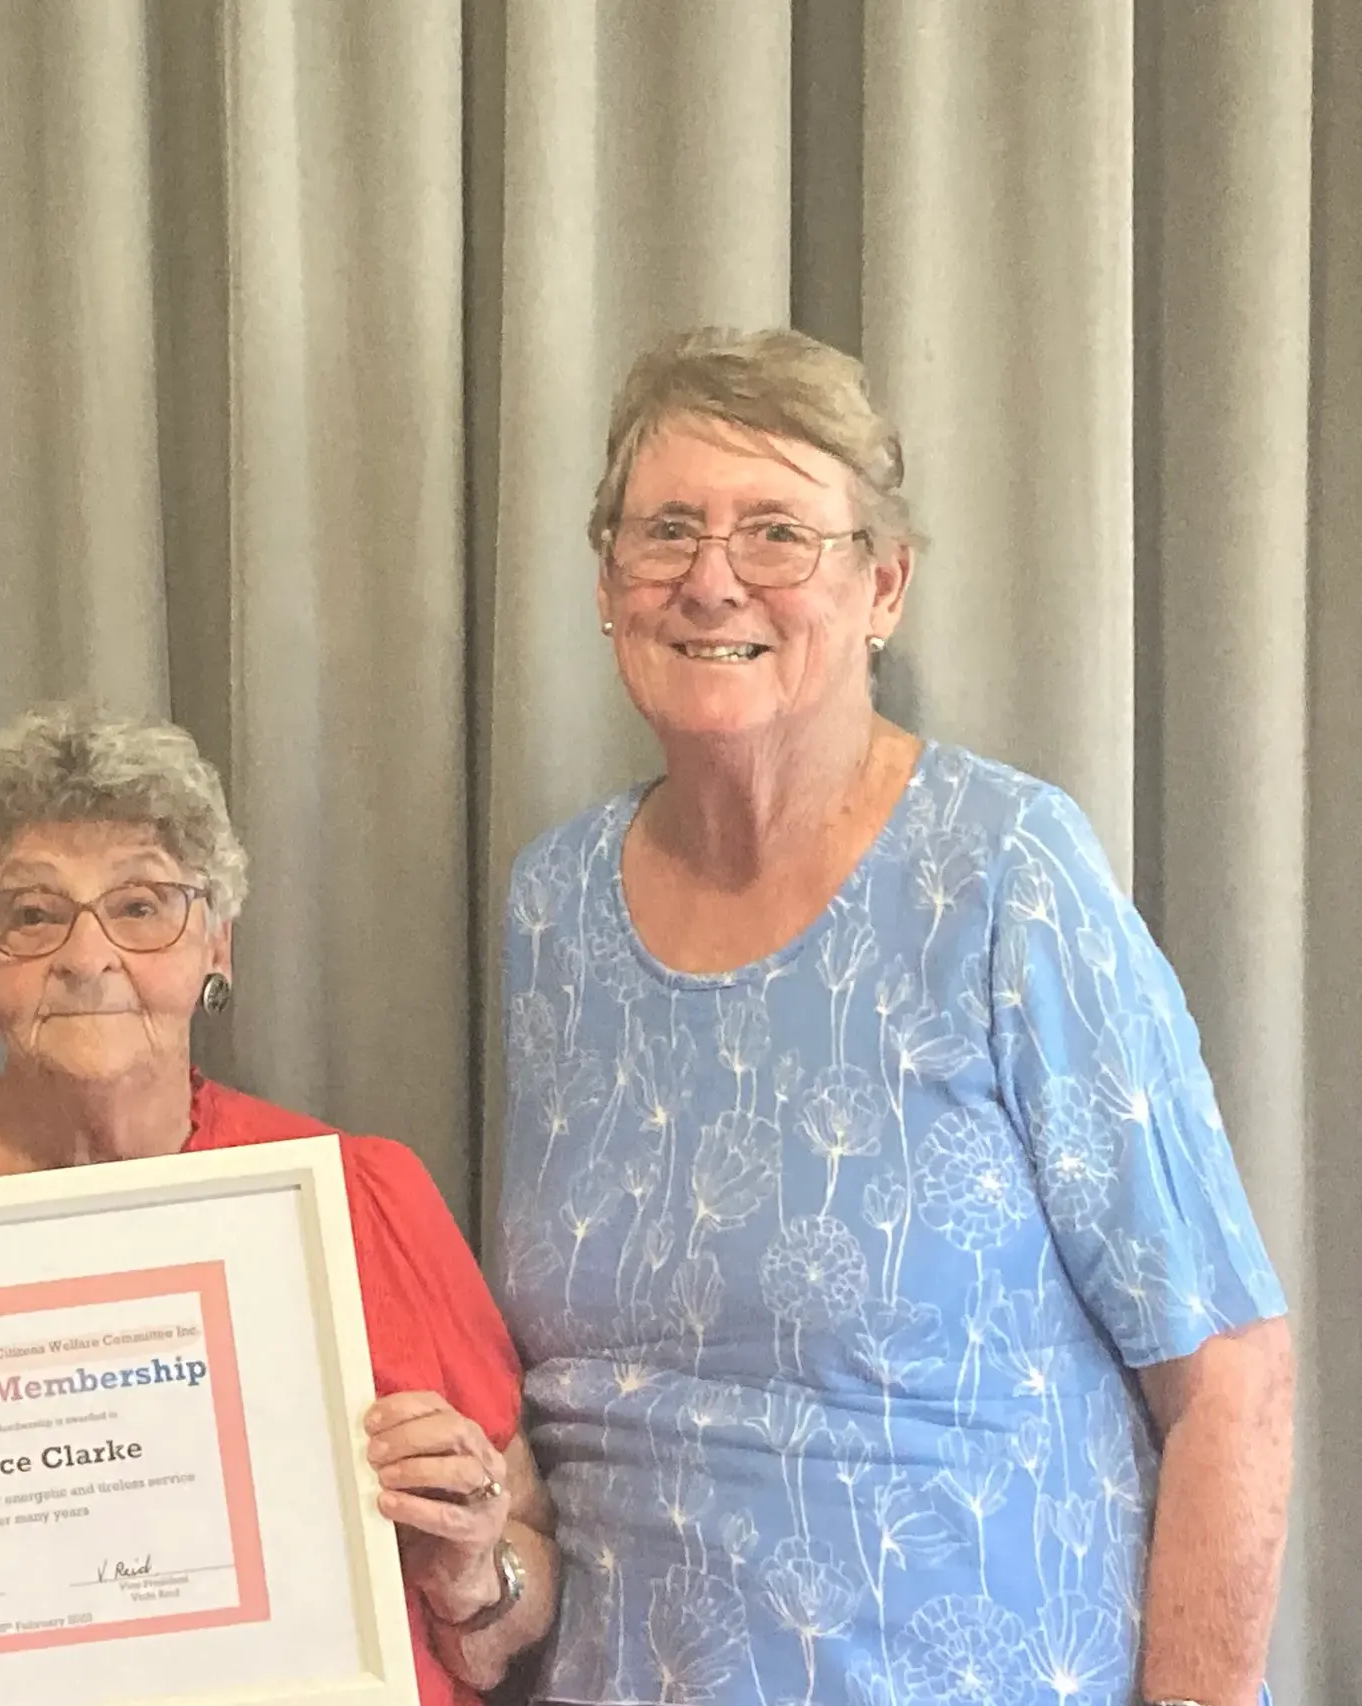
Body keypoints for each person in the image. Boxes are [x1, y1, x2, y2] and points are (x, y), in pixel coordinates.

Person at [495, 327, 1294, 1706]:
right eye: (665, 529)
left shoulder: (1006, 873)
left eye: (777, 534)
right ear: (607, 583)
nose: (710, 577)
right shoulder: (554, 905)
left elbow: (1229, 1374)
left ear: (884, 586)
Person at [0, 702, 556, 1704]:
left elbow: (516, 1574)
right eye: (32, 913)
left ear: (216, 945)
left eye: (140, 907)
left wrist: (478, 1569)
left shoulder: (363, 1196)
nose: (86, 957)